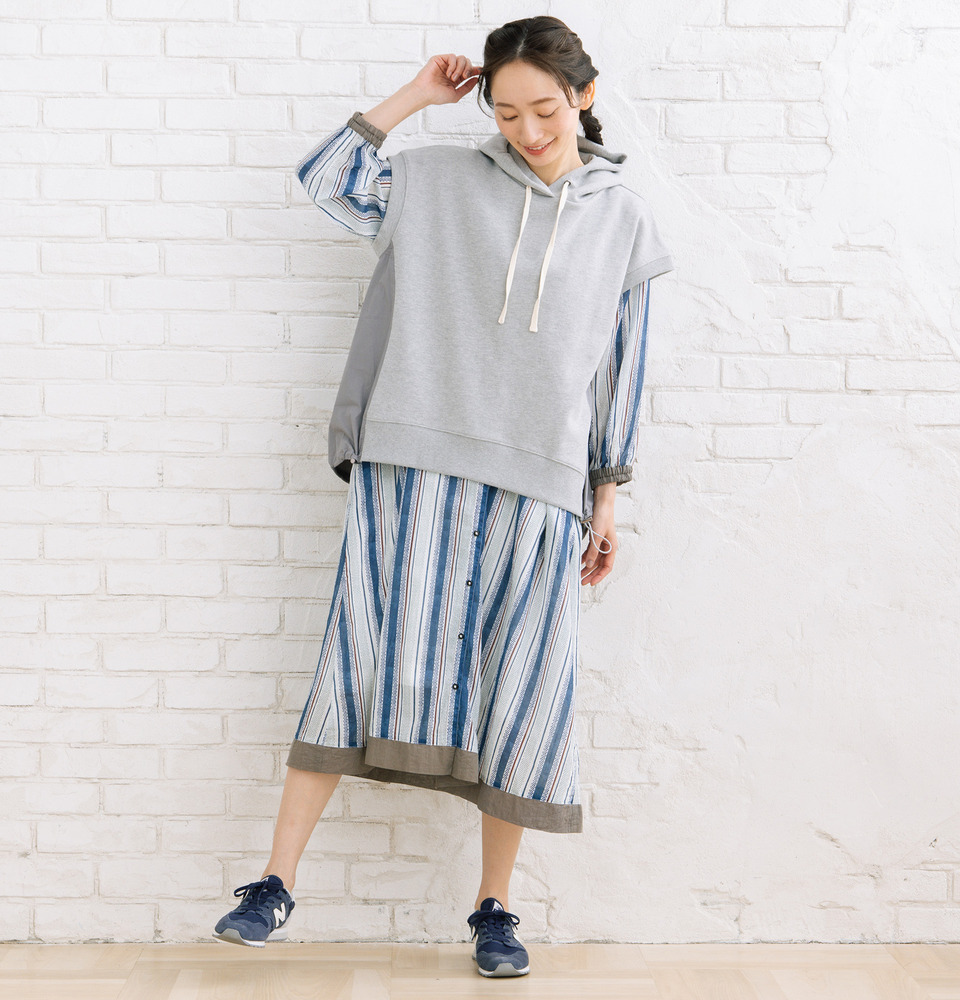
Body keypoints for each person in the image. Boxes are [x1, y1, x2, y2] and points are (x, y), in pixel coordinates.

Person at [212, 15, 675, 979]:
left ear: (584, 97)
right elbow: (328, 179)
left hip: (542, 479)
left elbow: (621, 371)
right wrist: (420, 97)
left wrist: (607, 496)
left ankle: (494, 908)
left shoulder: (624, 220)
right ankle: (273, 883)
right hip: (411, 456)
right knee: (357, 653)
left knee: (523, 686)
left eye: (544, 109)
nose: (527, 130)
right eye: (505, 112)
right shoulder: (436, 180)